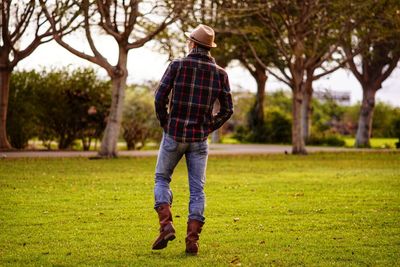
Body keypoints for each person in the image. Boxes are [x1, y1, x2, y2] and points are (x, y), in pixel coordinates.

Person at [152, 24, 233, 255]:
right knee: (197, 190)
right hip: (199, 140)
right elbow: (228, 110)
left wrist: (166, 122)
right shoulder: (220, 73)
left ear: (192, 43)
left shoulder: (177, 65)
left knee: (161, 179)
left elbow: (159, 98)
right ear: (209, 47)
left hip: (173, 134)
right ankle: (192, 241)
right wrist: (209, 126)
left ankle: (166, 225)